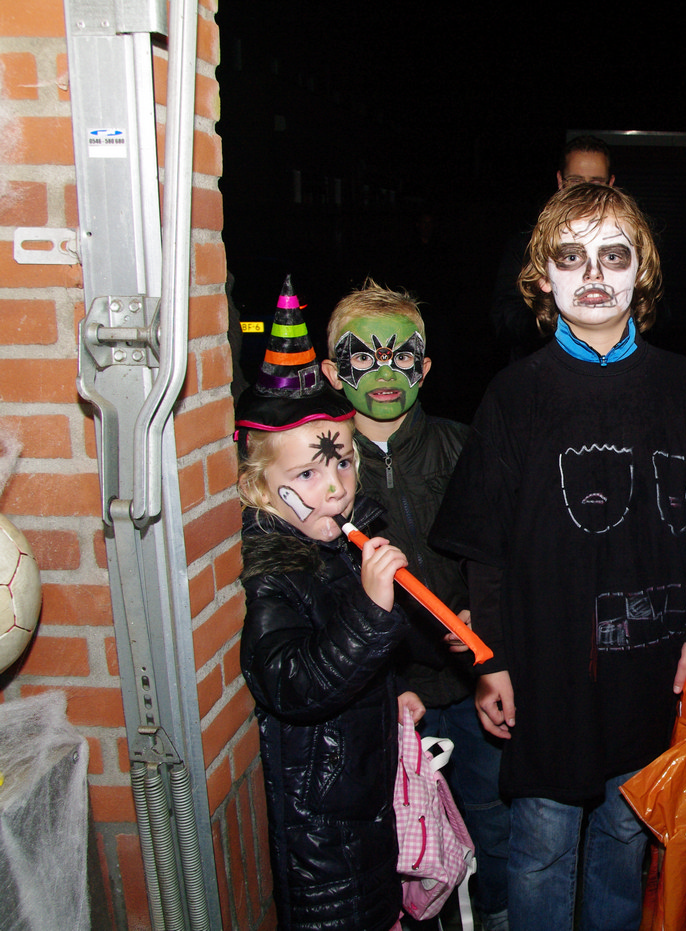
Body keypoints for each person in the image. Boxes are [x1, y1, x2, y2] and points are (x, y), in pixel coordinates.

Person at [429, 183, 686, 931]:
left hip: (649, 663)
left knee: (624, 835)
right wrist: (490, 659)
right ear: (543, 277)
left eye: (614, 255)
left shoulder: (684, 387)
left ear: (643, 270)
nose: (594, 274)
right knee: (541, 845)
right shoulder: (515, 394)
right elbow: (484, 549)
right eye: (571, 257)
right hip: (546, 669)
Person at [320, 282, 510, 931]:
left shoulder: (462, 447)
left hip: (469, 681)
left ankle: (498, 912)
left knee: (490, 814)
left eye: (400, 357)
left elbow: (502, 550)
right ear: (332, 372)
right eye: (361, 357)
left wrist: (488, 621)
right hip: (383, 694)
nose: (382, 374)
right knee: (402, 831)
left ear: (424, 368)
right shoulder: (322, 468)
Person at [233, 278, 419, 931]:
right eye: (307, 474)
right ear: (261, 488)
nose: (334, 488)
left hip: (364, 814)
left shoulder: (338, 543)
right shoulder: (273, 572)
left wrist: (393, 692)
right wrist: (371, 609)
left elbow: (354, 666)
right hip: (318, 841)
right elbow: (293, 682)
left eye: (341, 465)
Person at [491, 135, 615, 362]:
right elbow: (503, 318)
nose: (584, 192)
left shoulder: (628, 244)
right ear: (560, 181)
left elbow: (655, 313)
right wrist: (548, 317)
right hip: (540, 368)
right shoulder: (527, 244)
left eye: (595, 184)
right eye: (575, 182)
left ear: (610, 184)